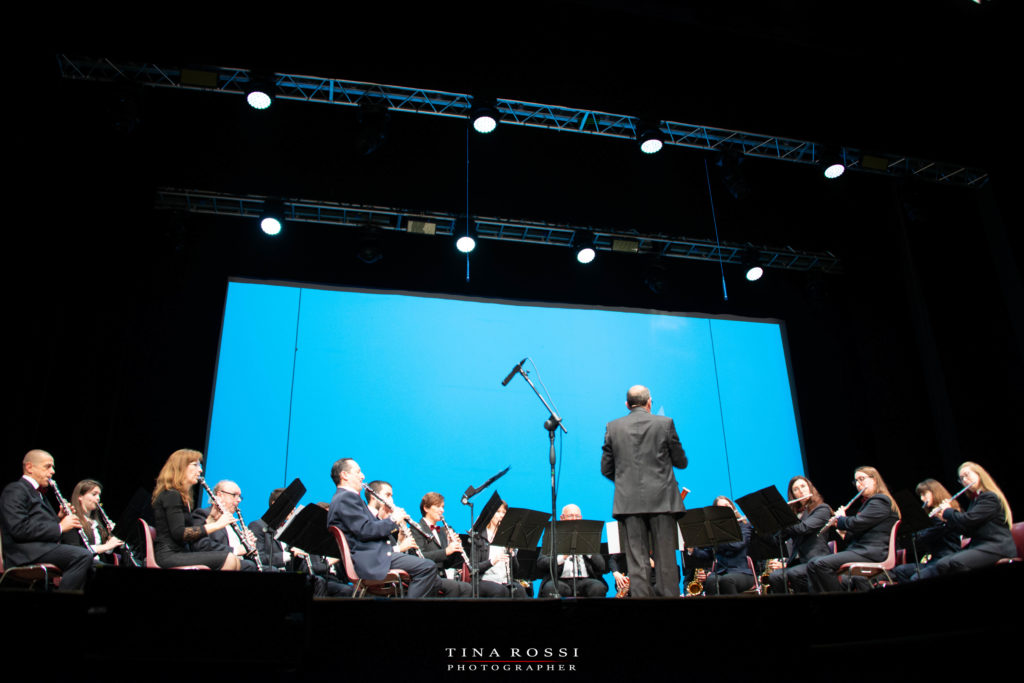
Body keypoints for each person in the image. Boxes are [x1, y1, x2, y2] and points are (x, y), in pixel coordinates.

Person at [600, 384, 687, 598]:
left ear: (627, 405)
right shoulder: (665, 424)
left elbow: (606, 469)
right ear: (649, 403)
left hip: (629, 504)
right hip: (663, 501)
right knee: (665, 560)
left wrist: (625, 483)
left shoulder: (613, 427)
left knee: (637, 563)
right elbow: (681, 461)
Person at [326, 459, 439, 598]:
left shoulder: (346, 498)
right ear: (345, 475)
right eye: (358, 472)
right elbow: (365, 530)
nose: (363, 476)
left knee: (429, 573)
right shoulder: (346, 498)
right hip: (371, 560)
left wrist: (391, 524)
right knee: (427, 568)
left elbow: (366, 528)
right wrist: (393, 519)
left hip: (373, 557)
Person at [0, 449, 93, 589]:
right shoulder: (16, 489)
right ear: (29, 467)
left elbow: (38, 525)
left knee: (95, 566)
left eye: (53, 467)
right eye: (48, 466)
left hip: (42, 548)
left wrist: (58, 518)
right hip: (24, 553)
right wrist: (60, 527)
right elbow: (18, 529)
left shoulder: (40, 495)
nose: (52, 471)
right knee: (81, 556)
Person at [806, 466, 900, 593]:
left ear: (874, 480)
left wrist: (840, 520)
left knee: (820, 564)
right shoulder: (870, 503)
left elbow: (858, 522)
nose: (858, 484)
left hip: (871, 553)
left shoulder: (880, 500)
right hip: (861, 550)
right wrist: (843, 531)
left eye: (862, 479)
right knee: (812, 564)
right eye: (856, 481)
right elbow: (856, 530)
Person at [914, 462, 1016, 579]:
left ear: (979, 475)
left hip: (997, 546)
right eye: (961, 478)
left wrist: (948, 511)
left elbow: (969, 519)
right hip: (980, 545)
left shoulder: (989, 497)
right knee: (942, 564)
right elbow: (966, 530)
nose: (964, 480)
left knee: (957, 562)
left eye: (967, 475)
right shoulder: (975, 500)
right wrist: (946, 519)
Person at [150, 449, 241, 570]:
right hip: (169, 555)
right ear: (180, 467)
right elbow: (180, 533)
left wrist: (212, 518)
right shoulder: (172, 495)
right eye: (195, 465)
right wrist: (218, 525)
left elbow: (191, 532)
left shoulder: (182, 497)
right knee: (229, 558)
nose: (200, 470)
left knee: (235, 560)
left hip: (181, 553)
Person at [765, 476, 832, 594]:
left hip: (815, 559)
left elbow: (803, 528)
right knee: (775, 576)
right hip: (796, 562)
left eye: (803, 486)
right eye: (795, 489)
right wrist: (766, 524)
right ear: (793, 494)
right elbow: (778, 540)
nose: (800, 491)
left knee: (794, 573)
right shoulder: (795, 515)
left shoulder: (822, 509)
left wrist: (783, 518)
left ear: (810, 488)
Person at [891, 478, 963, 583]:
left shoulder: (947, 513)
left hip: (947, 557)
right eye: (920, 495)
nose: (922, 498)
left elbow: (933, 532)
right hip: (933, 560)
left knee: (916, 578)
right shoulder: (930, 516)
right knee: (900, 570)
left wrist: (919, 534)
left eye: (924, 494)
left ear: (935, 492)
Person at [408, 491, 473, 597]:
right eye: (438, 506)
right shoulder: (416, 529)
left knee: (467, 588)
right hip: (425, 577)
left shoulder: (442, 531)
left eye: (442, 507)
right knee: (455, 587)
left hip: (441, 576)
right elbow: (419, 557)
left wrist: (455, 549)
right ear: (426, 508)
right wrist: (446, 551)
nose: (442, 510)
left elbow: (447, 564)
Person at [537, 504, 608, 598]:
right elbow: (541, 563)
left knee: (597, 587)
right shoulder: (551, 537)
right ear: (562, 518)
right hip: (559, 579)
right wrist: (563, 557)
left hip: (585, 579)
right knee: (551, 588)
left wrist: (587, 549)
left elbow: (601, 566)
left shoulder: (588, 537)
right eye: (570, 516)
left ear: (581, 518)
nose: (574, 519)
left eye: (577, 516)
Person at [686, 496, 754, 595]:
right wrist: (693, 551)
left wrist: (718, 539)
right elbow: (709, 554)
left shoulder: (743, 525)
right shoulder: (714, 531)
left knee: (727, 581)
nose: (726, 509)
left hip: (741, 572)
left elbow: (738, 545)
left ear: (733, 507)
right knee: (711, 581)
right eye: (721, 508)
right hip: (721, 572)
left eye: (727, 505)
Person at [191, 479, 259, 571]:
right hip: (220, 564)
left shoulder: (233, 521)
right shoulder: (202, 514)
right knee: (249, 566)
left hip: (240, 563)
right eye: (234, 495)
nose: (238, 500)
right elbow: (202, 546)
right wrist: (236, 550)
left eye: (239, 496)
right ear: (220, 495)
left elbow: (241, 551)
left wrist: (248, 547)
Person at [469, 500, 527, 598]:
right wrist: (492, 561)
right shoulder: (479, 537)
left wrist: (512, 554)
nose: (501, 516)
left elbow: (516, 571)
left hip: (505, 580)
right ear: (490, 514)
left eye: (504, 513)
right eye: (498, 512)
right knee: (499, 590)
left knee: (520, 590)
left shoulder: (508, 536)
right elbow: (473, 567)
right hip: (484, 580)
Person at [59, 479, 125, 564]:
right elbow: (77, 550)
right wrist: (106, 546)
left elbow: (105, 553)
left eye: (99, 495)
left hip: (97, 565)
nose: (98, 498)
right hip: (81, 566)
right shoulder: (72, 520)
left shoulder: (96, 524)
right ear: (80, 496)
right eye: (94, 494)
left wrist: (112, 537)